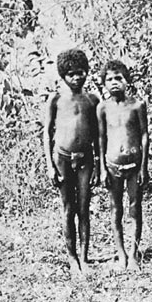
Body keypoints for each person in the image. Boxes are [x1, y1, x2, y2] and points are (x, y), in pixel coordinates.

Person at [43, 49, 100, 278]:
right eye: (71, 74)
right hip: (62, 159)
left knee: (84, 208)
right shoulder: (55, 99)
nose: (77, 78)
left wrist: (97, 164)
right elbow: (47, 134)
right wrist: (49, 165)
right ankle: (72, 257)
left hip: (85, 159)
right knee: (68, 209)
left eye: (81, 73)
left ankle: (85, 257)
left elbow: (98, 135)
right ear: (63, 75)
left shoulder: (92, 99)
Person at [97, 60, 149, 272]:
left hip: (134, 165)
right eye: (109, 79)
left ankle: (134, 254)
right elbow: (100, 139)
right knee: (115, 209)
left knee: (135, 209)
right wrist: (101, 168)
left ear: (127, 81)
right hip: (112, 165)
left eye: (118, 78)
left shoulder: (137, 105)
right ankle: (121, 253)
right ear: (103, 84)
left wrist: (144, 166)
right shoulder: (102, 107)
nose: (114, 83)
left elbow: (145, 135)